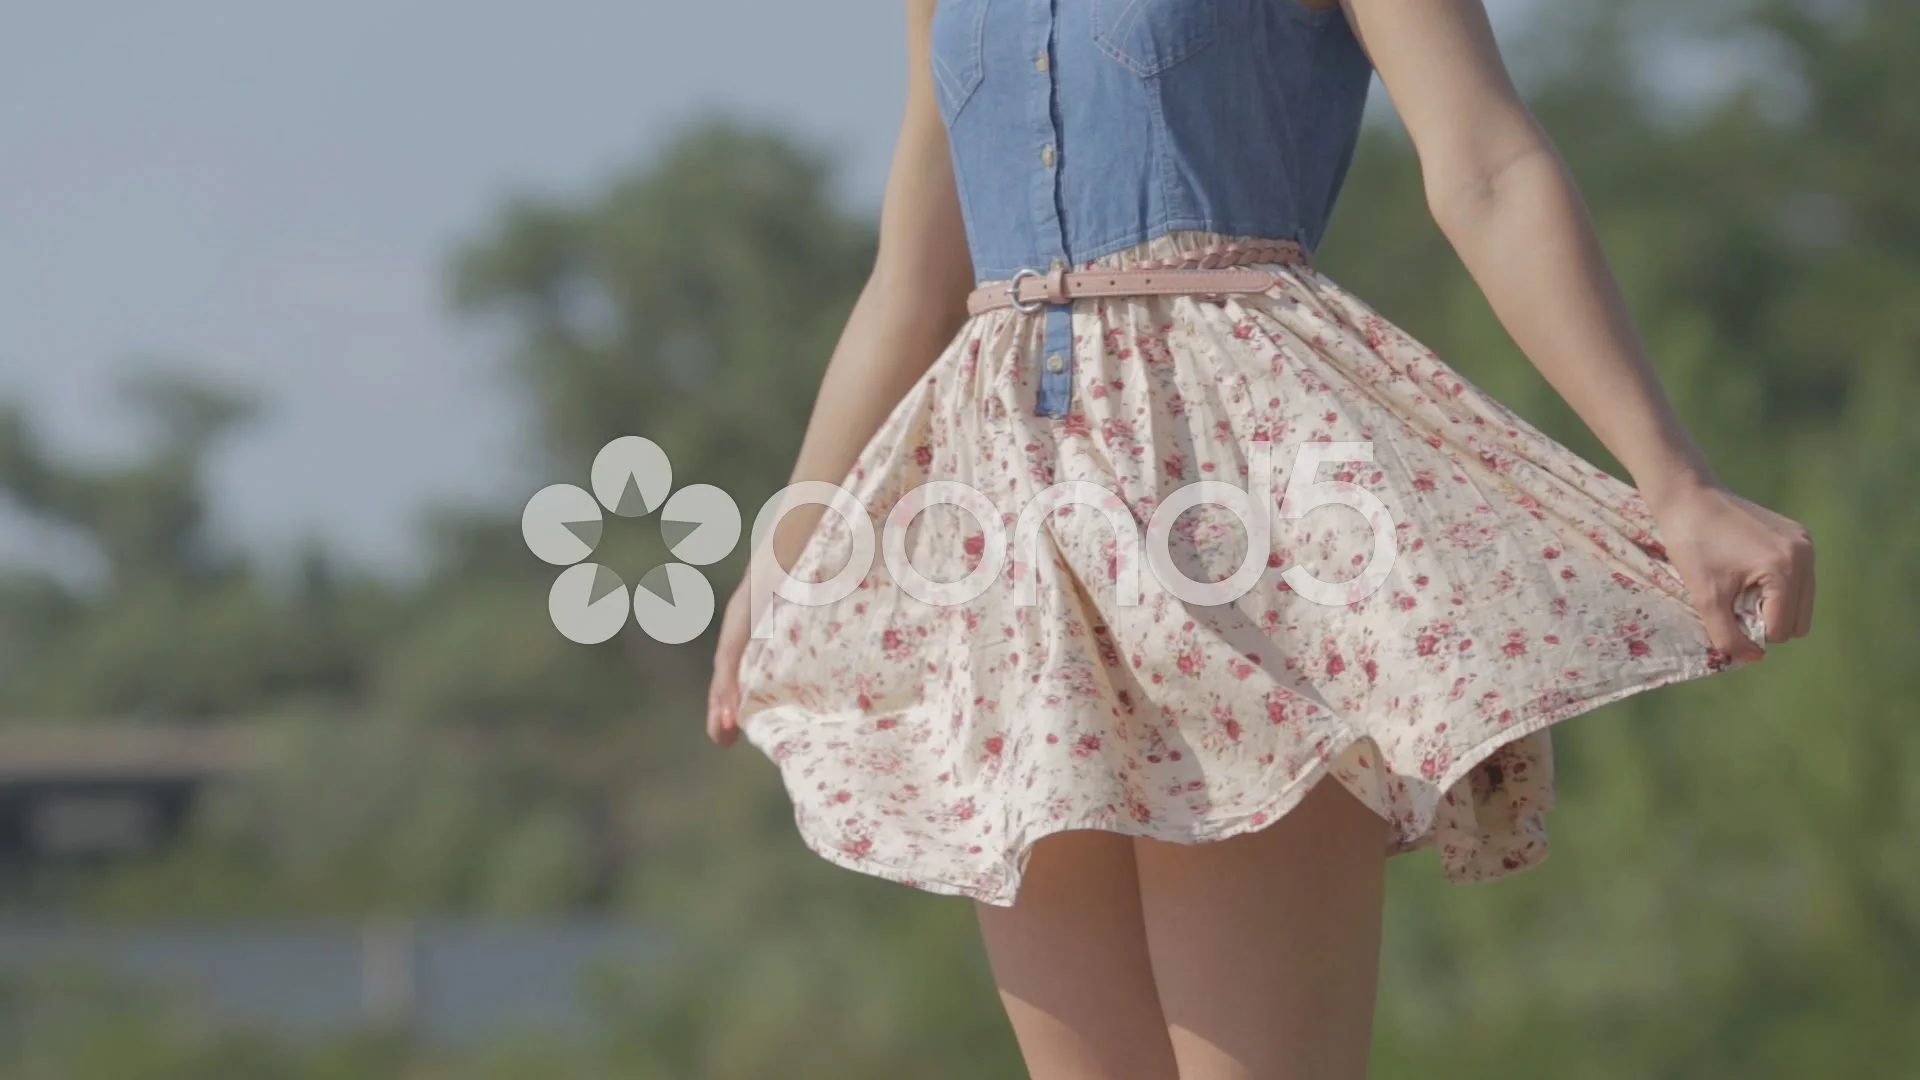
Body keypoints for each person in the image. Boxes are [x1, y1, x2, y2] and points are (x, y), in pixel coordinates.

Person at [704, 1, 1815, 1076]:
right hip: (1009, 531)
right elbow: (914, 279)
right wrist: (792, 537)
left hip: (1235, 503)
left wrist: (1676, 481)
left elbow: (1486, 167)